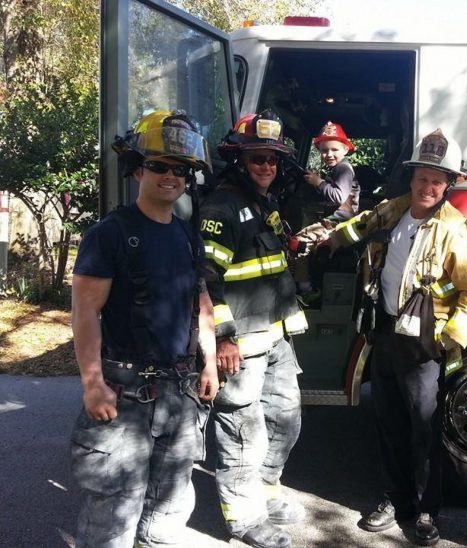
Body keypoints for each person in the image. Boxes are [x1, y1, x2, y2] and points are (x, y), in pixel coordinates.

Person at [323, 129, 467, 546]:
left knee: (424, 430)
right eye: (422, 177)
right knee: (388, 423)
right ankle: (392, 498)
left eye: (438, 180)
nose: (428, 187)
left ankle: (424, 511)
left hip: (425, 346)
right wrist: (323, 239)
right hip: (385, 334)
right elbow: (358, 225)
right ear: (412, 178)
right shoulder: (396, 210)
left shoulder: (455, 230)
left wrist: (447, 340)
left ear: (449, 184)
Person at [70, 109, 219, 547]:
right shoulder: (109, 234)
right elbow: (84, 312)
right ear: (138, 170)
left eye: (181, 170)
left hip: (180, 392)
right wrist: (93, 384)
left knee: (170, 509)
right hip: (125, 393)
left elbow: (201, 302)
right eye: (159, 166)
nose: (171, 177)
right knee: (113, 515)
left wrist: (208, 364)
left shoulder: (188, 235)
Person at [199, 109, 308, 548]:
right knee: (243, 430)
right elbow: (206, 279)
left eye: (273, 159)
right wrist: (222, 338)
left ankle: (265, 491)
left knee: (286, 418)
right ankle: (243, 518)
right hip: (240, 342)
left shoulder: (265, 200)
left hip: (275, 334)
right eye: (258, 158)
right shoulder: (221, 207)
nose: (267, 166)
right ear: (240, 159)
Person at [293, 121, 360, 300]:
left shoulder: (344, 169)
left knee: (297, 243)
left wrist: (318, 182)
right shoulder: (338, 168)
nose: (329, 154)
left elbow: (338, 196)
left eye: (334, 150)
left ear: (345, 149)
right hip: (334, 219)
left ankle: (305, 290)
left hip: (339, 222)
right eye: (324, 150)